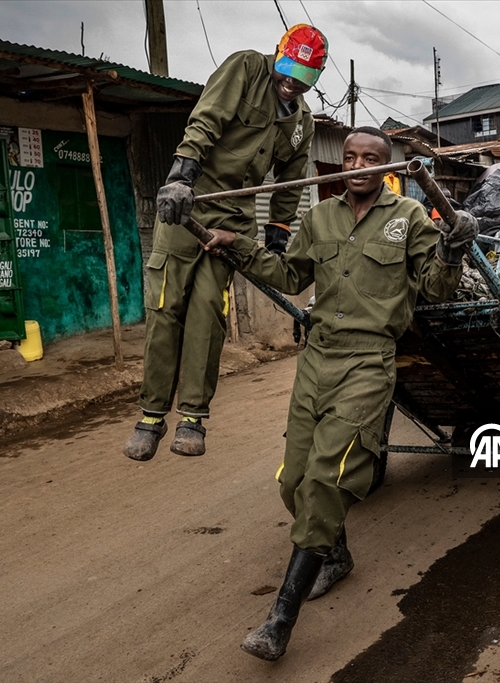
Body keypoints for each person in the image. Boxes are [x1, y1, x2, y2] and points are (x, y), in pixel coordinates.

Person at [203, 127, 477, 661]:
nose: (357, 165)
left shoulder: (409, 218)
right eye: (349, 157)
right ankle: (335, 554)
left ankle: (281, 619)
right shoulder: (319, 216)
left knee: (328, 479)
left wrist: (452, 248)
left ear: (386, 165)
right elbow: (289, 272)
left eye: (369, 158)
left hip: (369, 361)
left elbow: (437, 289)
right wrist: (238, 245)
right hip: (316, 358)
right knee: (294, 482)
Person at [123, 25, 328, 461]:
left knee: (207, 316)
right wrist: (182, 175)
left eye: (303, 76)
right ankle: (151, 416)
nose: (291, 82)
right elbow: (208, 116)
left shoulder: (302, 124)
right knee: (166, 308)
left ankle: (193, 418)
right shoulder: (247, 67)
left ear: (315, 76)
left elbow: (291, 181)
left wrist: (278, 231)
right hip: (190, 205)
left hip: (233, 219)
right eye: (288, 70)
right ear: (278, 57)